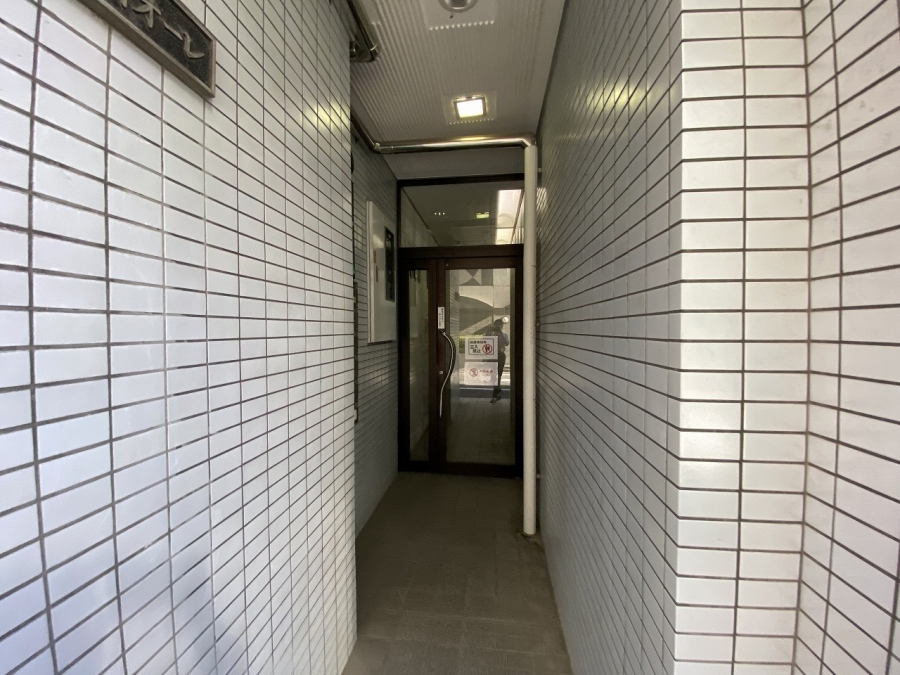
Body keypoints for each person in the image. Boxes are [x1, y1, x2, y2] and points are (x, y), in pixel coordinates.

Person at [484, 318, 509, 403]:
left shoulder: (504, 335)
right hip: (492, 355)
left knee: (498, 374)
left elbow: (507, 343)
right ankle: (498, 392)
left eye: (500, 325)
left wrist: (500, 333)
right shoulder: (490, 334)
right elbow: (483, 341)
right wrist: (489, 331)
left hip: (501, 355)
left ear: (502, 326)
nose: (499, 326)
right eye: (497, 325)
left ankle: (496, 394)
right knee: (493, 375)